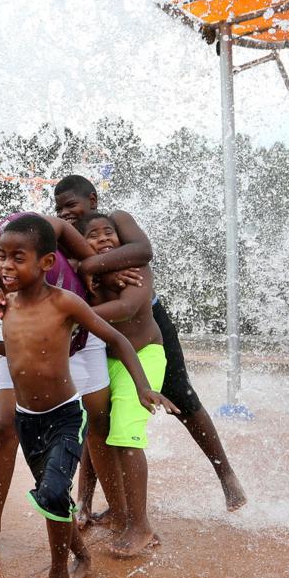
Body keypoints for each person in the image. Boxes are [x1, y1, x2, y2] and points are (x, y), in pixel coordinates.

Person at [0, 214, 175, 578]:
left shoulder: (65, 303)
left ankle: (58, 572)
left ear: (46, 264)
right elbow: (16, 350)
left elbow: (118, 338)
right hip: (27, 419)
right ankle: (82, 556)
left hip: (65, 418)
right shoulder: (8, 305)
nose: (5, 267)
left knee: (55, 493)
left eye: (18, 258)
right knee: (51, 498)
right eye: (3, 258)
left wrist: (143, 386)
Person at [0, 212, 134, 558]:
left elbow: (60, 227)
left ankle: (122, 515)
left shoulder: (11, 236)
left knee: (99, 423)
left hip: (79, 339)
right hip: (23, 350)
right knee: (4, 425)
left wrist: (97, 267)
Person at [53, 174, 247, 513]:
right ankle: (89, 499)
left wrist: (91, 266)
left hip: (146, 326)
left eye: (71, 205)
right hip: (102, 332)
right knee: (98, 414)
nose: (66, 213)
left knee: (183, 398)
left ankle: (225, 474)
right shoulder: (68, 236)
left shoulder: (118, 220)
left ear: (93, 200)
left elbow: (143, 251)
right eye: (59, 208)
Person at [77, 212, 169, 557]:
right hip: (108, 359)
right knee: (99, 432)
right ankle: (116, 512)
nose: (103, 239)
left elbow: (129, 308)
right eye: (93, 236)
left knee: (127, 434)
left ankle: (141, 526)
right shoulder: (90, 273)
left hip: (143, 356)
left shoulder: (133, 267)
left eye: (108, 233)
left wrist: (69, 311)